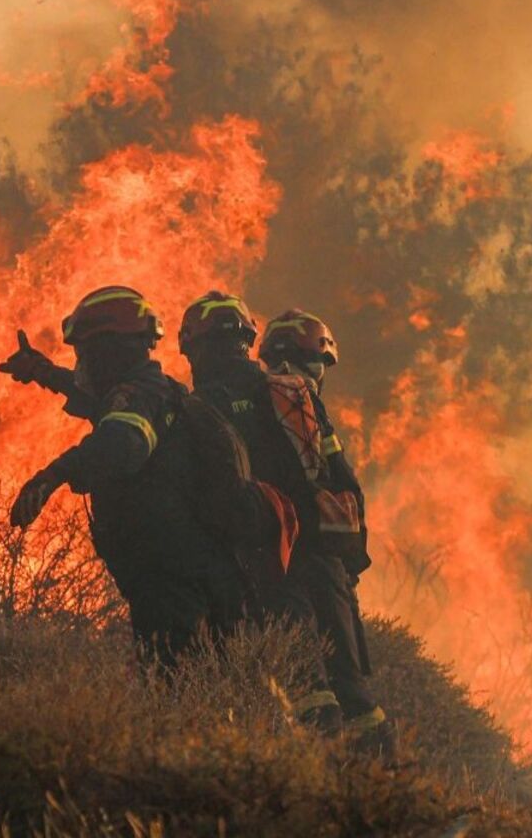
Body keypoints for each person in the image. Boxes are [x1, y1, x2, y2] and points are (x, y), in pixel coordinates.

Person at [180, 294, 394, 759]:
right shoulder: (294, 396)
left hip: (266, 561)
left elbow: (200, 501)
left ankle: (328, 794)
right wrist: (349, 563)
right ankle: (392, 796)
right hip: (325, 558)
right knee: (352, 689)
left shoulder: (197, 409)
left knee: (305, 686)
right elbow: (345, 487)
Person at [4, 285, 241, 666]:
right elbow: (100, 403)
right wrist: (43, 372)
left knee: (175, 687)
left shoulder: (139, 396)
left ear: (108, 352)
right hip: (186, 571)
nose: (82, 364)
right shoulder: (152, 390)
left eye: (85, 354)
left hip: (171, 578)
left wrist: (53, 474)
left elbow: (119, 444)